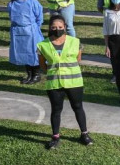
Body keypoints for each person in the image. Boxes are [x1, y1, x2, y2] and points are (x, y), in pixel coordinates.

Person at [37, 15, 93, 149]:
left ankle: (84, 134)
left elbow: (78, 60)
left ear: (65, 28)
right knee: (56, 110)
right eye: (54, 27)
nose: (57, 30)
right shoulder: (42, 45)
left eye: (60, 27)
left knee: (78, 107)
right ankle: (55, 136)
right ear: (50, 28)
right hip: (54, 83)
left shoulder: (75, 42)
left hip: (74, 82)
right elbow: (42, 65)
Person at [8, 0, 44, 84]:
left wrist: (36, 27)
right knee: (23, 53)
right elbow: (12, 17)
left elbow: (39, 16)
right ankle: (29, 75)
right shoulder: (12, 4)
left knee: (33, 53)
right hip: (18, 31)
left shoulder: (32, 2)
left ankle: (36, 75)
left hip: (31, 31)